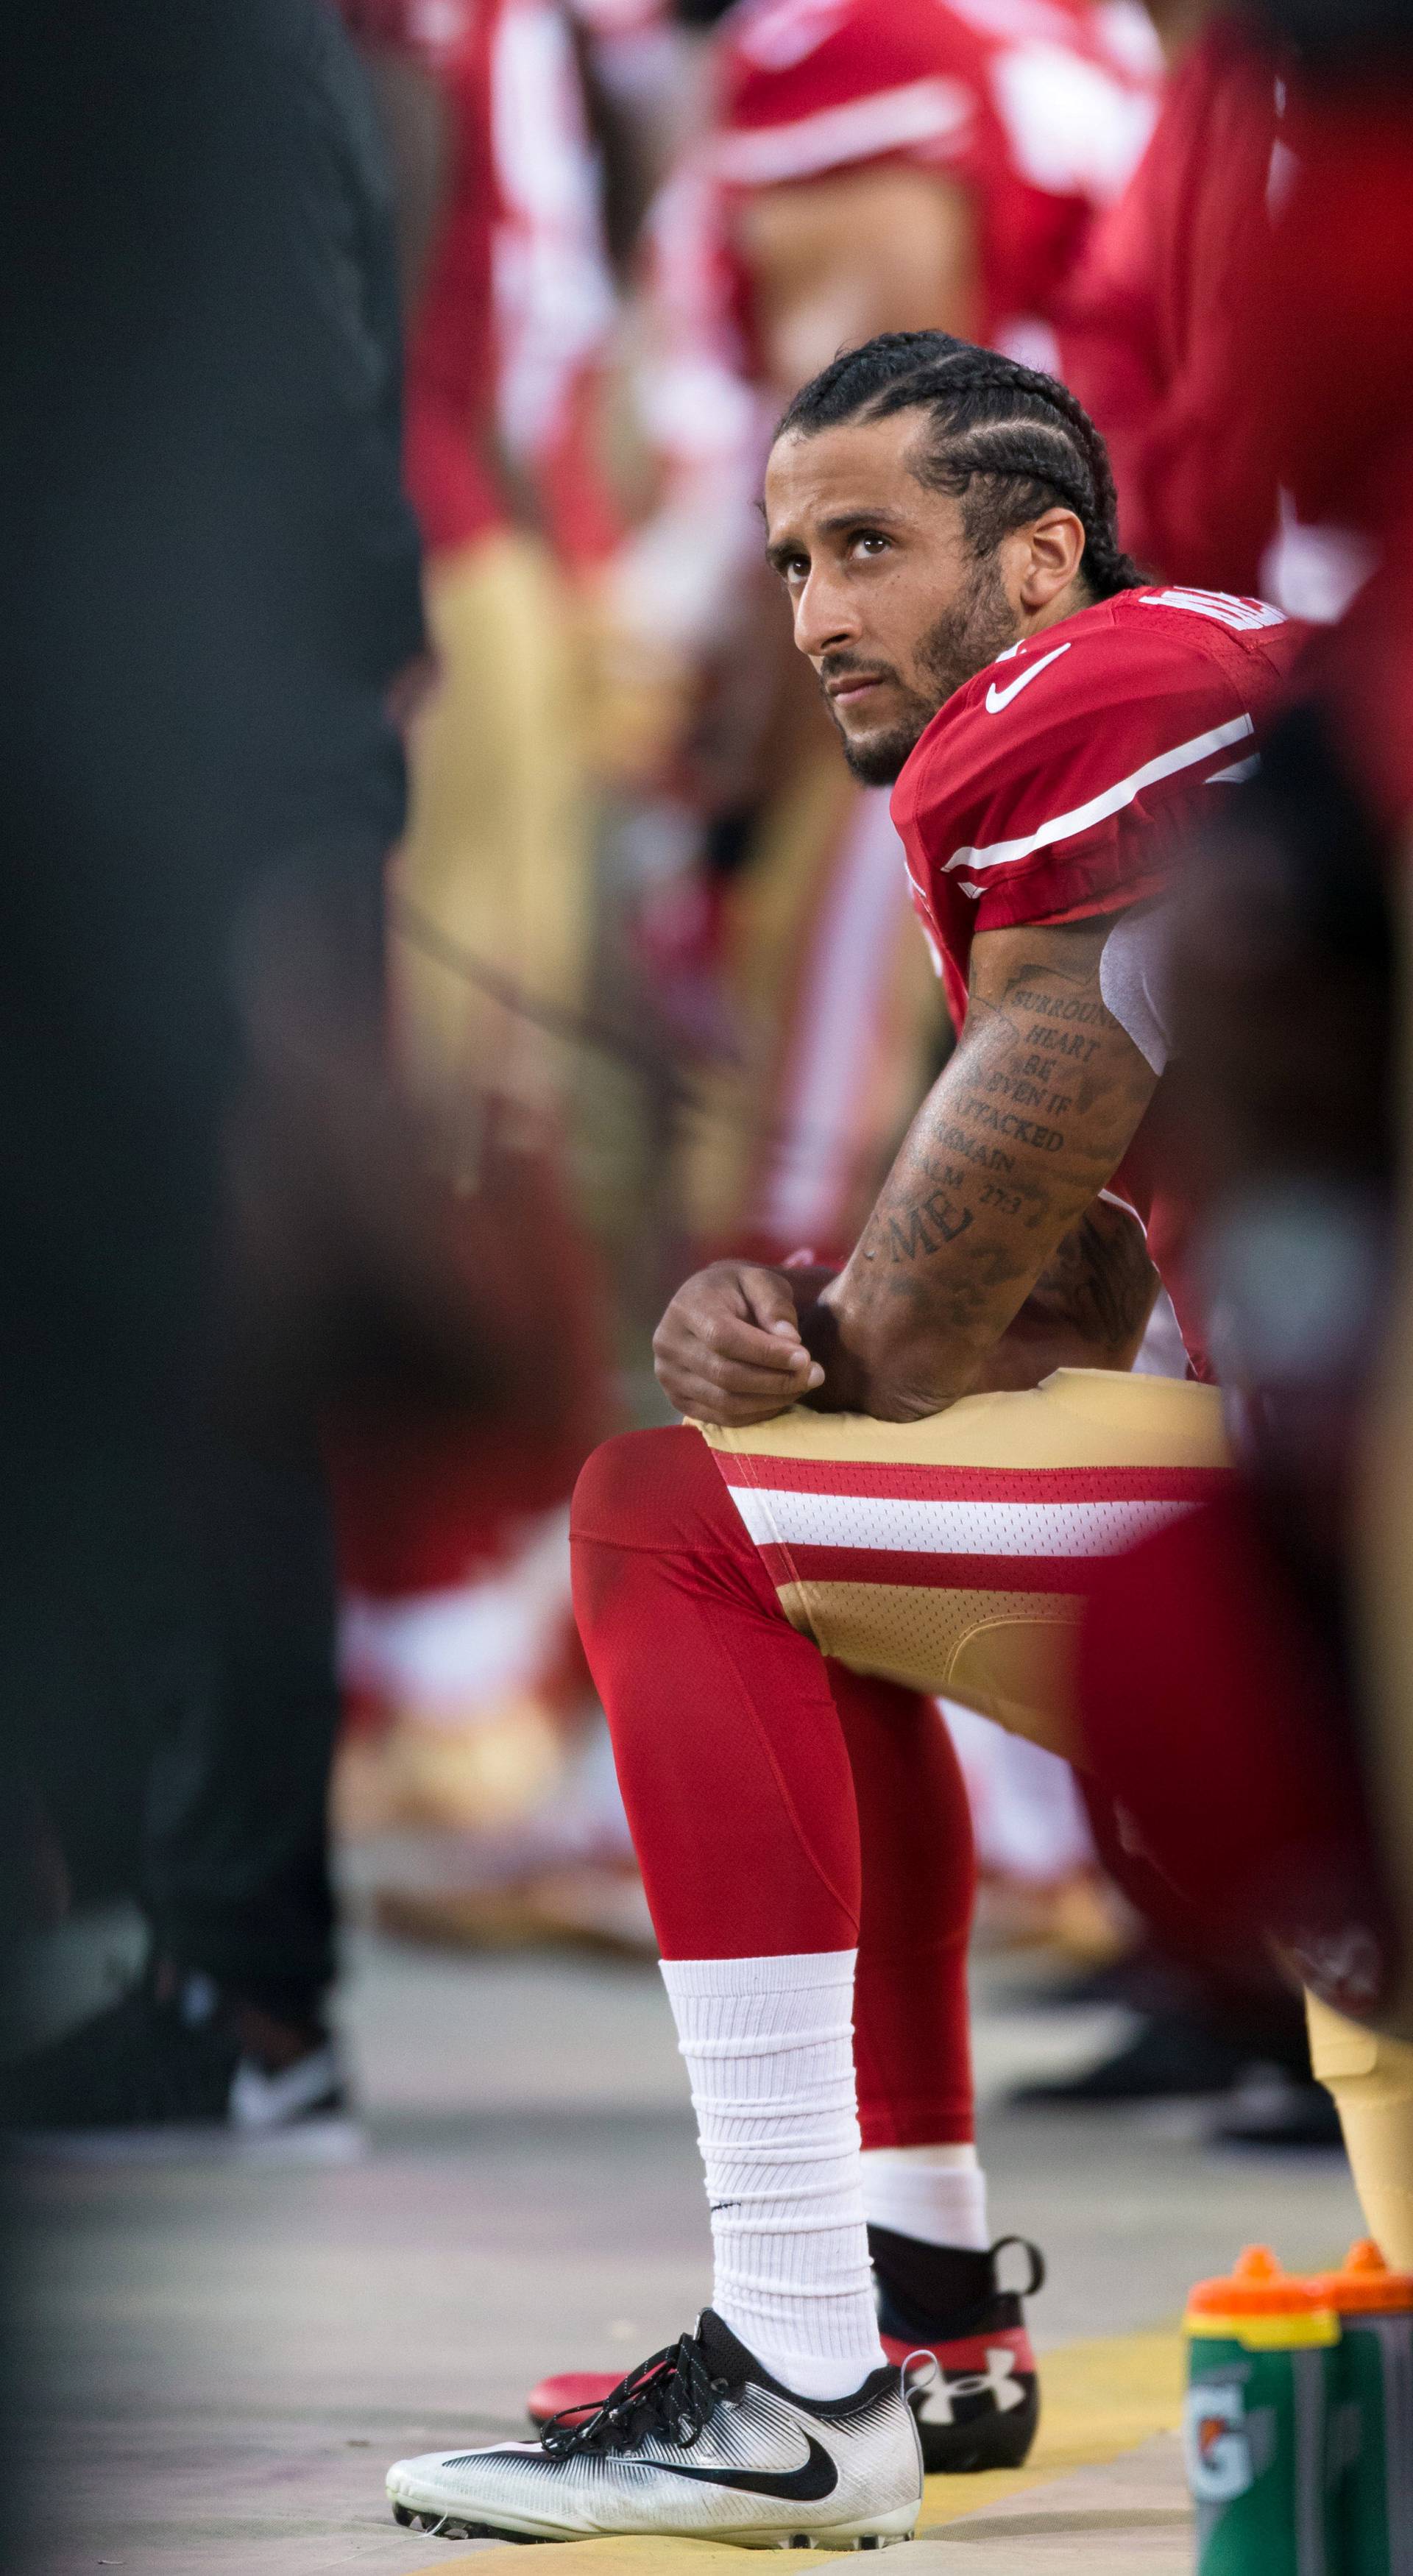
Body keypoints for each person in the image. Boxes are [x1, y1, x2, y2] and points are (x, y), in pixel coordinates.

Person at [382, 333, 1304, 2544]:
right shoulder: (1231, 673)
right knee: (818, 1565)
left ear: (1044, 548)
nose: (814, 613)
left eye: (874, 546)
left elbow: (912, 1330)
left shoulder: (1080, 715)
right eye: (796, 557)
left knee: (672, 1524)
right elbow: (1091, 1267)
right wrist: (837, 1322)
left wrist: (812, 1322)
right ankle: (916, 2307)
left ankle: (807, 2361)